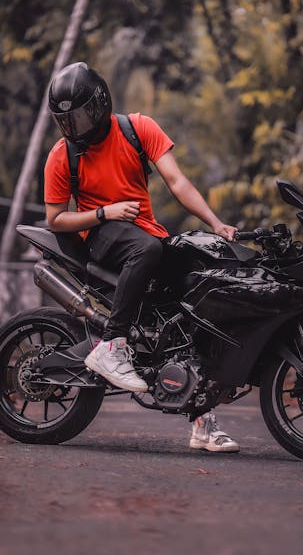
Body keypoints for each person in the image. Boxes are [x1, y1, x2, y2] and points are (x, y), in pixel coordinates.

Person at [44, 61, 240, 453]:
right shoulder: (62, 156)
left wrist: (217, 224)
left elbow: (178, 181)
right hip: (99, 238)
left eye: (81, 117)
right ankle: (111, 344)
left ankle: (202, 423)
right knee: (146, 247)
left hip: (144, 237)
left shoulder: (137, 129)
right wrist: (104, 213)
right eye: (66, 121)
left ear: (100, 104)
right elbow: (55, 219)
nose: (75, 128)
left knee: (195, 302)